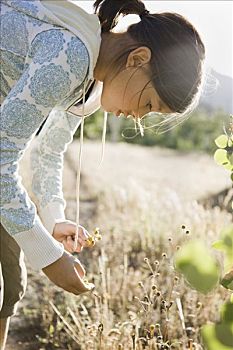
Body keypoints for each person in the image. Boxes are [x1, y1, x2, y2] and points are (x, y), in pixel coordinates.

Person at [0, 0, 205, 348]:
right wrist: (49, 258)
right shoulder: (73, 55)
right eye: (150, 105)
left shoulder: (92, 83)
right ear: (138, 59)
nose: (139, 118)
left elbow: (49, 150)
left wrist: (54, 219)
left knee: (10, 284)